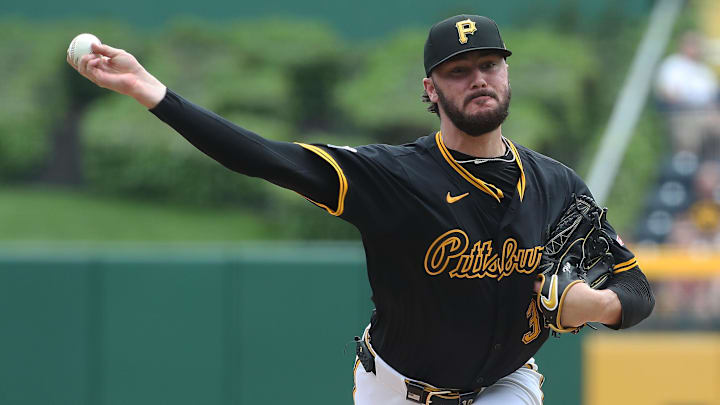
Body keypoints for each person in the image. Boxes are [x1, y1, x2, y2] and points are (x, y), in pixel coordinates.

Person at [68, 14, 654, 405]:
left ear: (506, 72)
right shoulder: (393, 176)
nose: (478, 79)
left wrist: (595, 304)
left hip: (507, 383)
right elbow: (265, 158)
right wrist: (154, 93)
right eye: (458, 71)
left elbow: (638, 291)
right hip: (395, 388)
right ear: (430, 90)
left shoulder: (558, 187)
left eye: (489, 64)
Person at [655, 31, 720, 154]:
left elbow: (713, 97)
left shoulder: (704, 70)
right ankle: (687, 162)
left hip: (706, 113)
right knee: (689, 132)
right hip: (683, 113)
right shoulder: (673, 65)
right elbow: (668, 94)